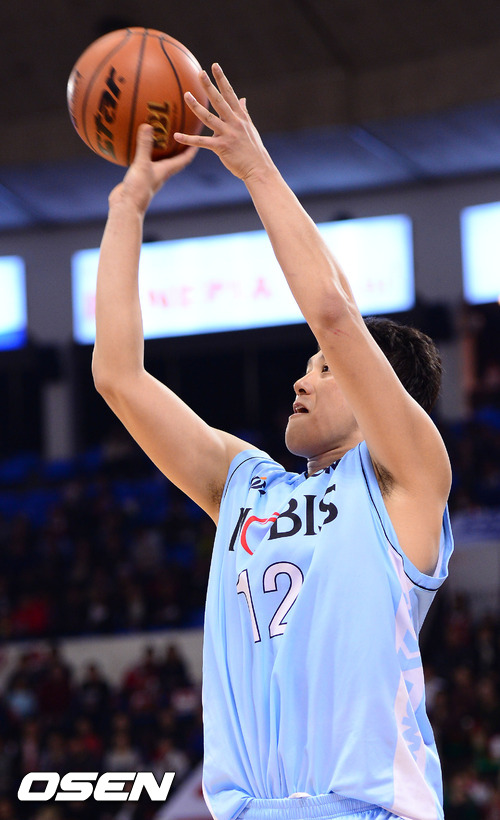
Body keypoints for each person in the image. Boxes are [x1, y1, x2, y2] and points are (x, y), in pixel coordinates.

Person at [92, 64, 453, 820]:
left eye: (324, 369)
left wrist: (255, 166)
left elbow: (333, 312)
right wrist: (128, 205)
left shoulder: (407, 480)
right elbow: (118, 375)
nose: (301, 380)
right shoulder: (247, 484)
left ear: (380, 392)